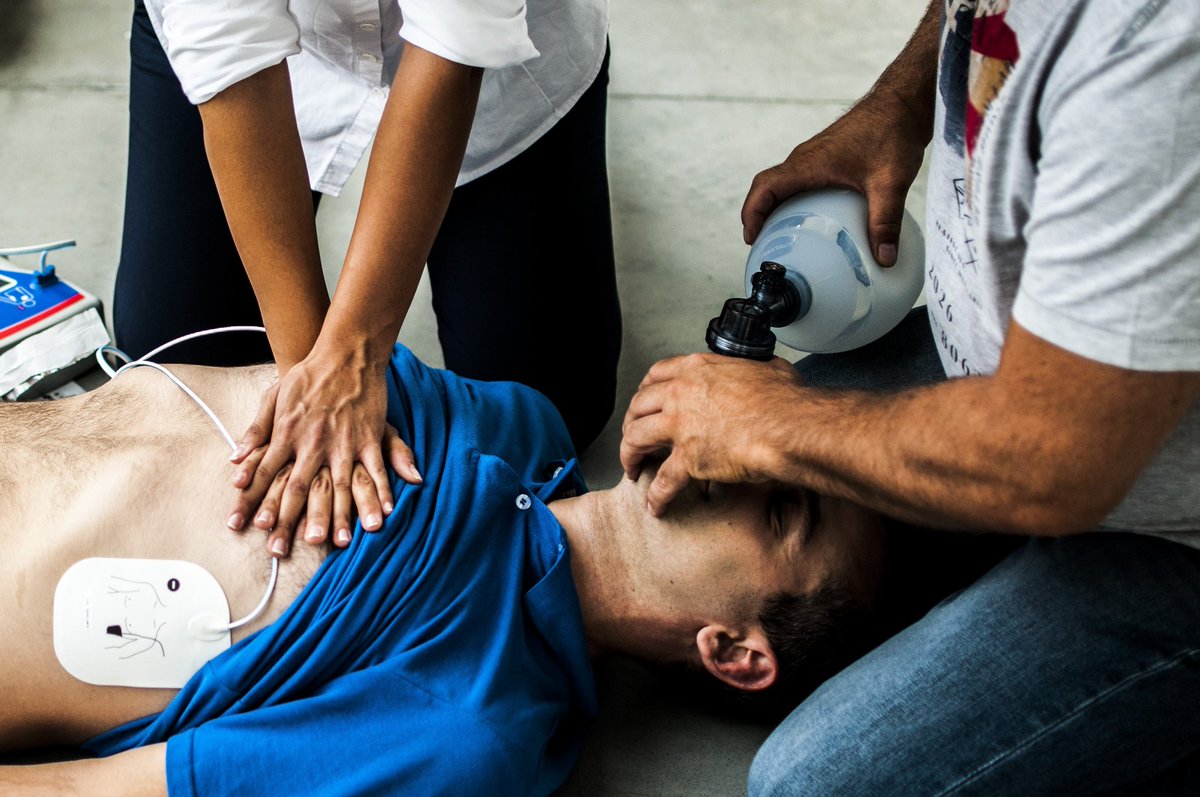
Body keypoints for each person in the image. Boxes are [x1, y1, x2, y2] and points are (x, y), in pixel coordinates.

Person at [620, 0, 1200, 793]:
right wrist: (899, 101)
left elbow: (1057, 458)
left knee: (815, 784)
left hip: (1157, 518)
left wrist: (772, 422)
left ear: (734, 650)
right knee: (801, 417)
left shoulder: (1161, 57)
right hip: (1027, 367)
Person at [0, 345, 886, 795]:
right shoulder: (524, 424)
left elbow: (96, 790)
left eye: (781, 506)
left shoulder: (472, 726)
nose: (741, 450)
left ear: (733, 649)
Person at [112, 0, 621, 562]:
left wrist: (354, 355)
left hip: (496, 65)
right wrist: (311, 377)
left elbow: (453, 36)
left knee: (548, 412)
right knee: (177, 360)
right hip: (258, 52)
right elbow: (229, 39)